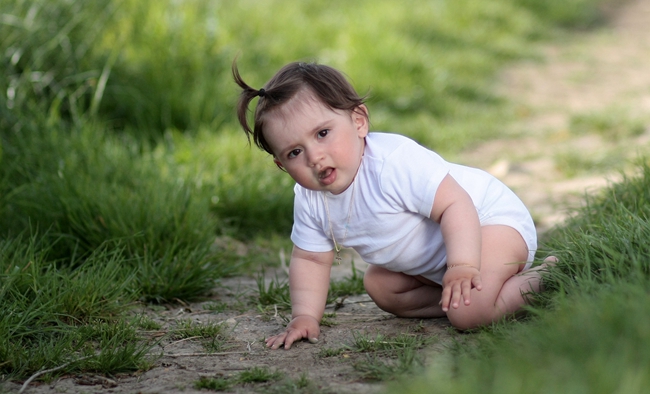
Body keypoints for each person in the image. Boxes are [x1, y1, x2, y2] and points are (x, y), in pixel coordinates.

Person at [233, 60, 550, 350]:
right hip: (438, 261)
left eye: (323, 133)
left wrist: (462, 266)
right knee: (380, 286)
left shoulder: (392, 163)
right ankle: (468, 296)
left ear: (358, 121)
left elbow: (456, 204)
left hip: (487, 222)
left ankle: (549, 273)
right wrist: (305, 317)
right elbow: (311, 260)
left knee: (469, 315)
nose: (314, 157)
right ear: (281, 165)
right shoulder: (309, 199)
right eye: (294, 153)